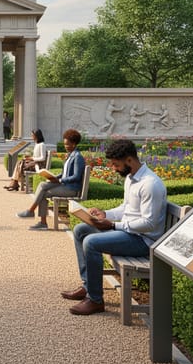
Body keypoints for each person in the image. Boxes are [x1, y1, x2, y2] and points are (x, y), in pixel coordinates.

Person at [61, 139, 167, 315]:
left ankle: (95, 300)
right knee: (80, 230)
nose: (113, 168)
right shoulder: (131, 178)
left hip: (144, 241)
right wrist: (106, 214)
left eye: (115, 164)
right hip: (129, 233)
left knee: (91, 242)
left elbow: (149, 224)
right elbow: (126, 208)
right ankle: (88, 286)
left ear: (129, 160)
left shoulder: (150, 184)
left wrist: (113, 225)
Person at [16, 128, 85, 231]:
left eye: (67, 144)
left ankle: (36, 216)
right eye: (65, 144)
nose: (65, 146)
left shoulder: (77, 157)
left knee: (43, 193)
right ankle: (35, 216)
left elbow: (76, 176)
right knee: (42, 185)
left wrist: (61, 181)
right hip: (64, 185)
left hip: (71, 188)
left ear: (74, 144)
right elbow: (64, 173)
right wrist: (54, 177)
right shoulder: (71, 155)